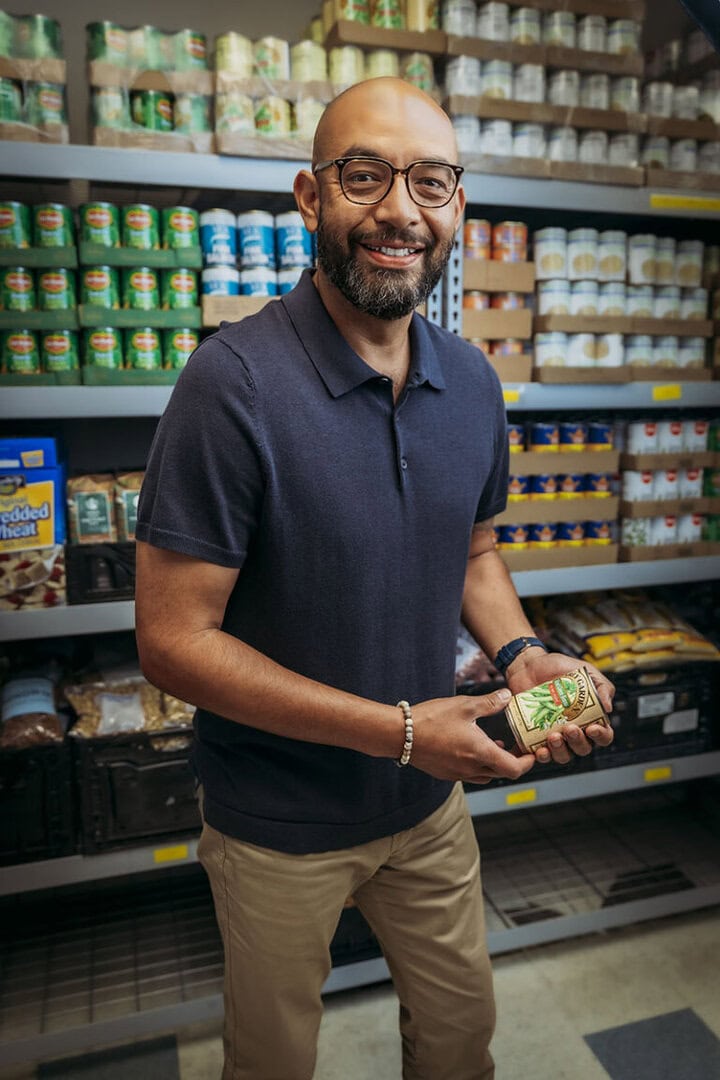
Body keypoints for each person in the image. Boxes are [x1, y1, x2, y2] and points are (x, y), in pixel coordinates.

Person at [134, 77, 615, 1080]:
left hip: (426, 809)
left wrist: (521, 655)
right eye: (366, 176)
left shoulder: (473, 381)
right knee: (272, 1064)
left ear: (457, 210)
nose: (401, 210)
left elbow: (475, 553)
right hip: (276, 824)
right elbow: (174, 641)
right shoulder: (231, 386)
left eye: (431, 182)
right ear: (312, 199)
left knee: (458, 1044)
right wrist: (400, 730)